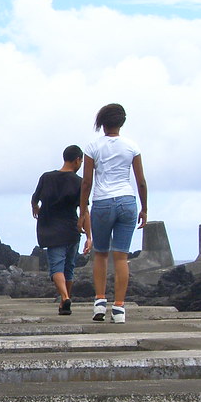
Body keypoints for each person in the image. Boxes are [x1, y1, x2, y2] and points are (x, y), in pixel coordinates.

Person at [79, 103, 148, 324]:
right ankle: (119, 309)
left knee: (100, 254)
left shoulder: (92, 147)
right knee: (121, 256)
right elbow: (141, 181)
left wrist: (83, 210)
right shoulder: (132, 147)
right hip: (127, 201)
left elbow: (87, 182)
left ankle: (100, 302)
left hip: (103, 202)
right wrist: (144, 208)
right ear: (122, 122)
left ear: (102, 123)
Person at [31, 145, 91, 315]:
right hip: (72, 229)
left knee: (56, 267)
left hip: (51, 229)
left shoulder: (46, 177)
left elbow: (35, 198)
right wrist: (89, 236)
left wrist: (35, 207)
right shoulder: (79, 182)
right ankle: (66, 299)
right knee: (68, 267)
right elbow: (84, 211)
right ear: (78, 160)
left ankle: (64, 298)